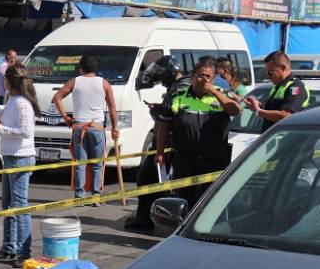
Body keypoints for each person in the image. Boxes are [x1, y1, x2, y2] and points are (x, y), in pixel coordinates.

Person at [155, 58, 241, 208]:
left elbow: (235, 110)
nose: (204, 80)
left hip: (214, 161)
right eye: (201, 75)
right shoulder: (177, 96)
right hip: (185, 161)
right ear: (193, 76)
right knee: (183, 200)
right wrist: (159, 152)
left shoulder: (222, 94)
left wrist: (214, 91)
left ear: (213, 78)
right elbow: (164, 125)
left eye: (208, 76)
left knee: (210, 203)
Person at [126, 56, 189, 230]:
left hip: (168, 145)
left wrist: (159, 151)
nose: (160, 80)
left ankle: (145, 219)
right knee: (156, 183)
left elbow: (167, 121)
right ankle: (149, 217)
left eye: (162, 76)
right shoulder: (182, 86)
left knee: (146, 179)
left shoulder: (177, 89)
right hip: (174, 146)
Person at [0, 64, 39, 268]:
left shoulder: (22, 103)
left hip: (20, 158)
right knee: (8, 206)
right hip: (11, 156)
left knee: (19, 207)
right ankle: (10, 248)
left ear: (8, 82)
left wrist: (1, 128)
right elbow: (8, 117)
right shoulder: (13, 101)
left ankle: (24, 253)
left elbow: (24, 131)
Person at [52, 56, 118, 204]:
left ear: (81, 68)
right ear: (95, 69)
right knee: (97, 164)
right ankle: (96, 197)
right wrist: (115, 128)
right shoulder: (104, 83)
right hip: (97, 128)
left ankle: (80, 197)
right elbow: (113, 108)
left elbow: (57, 98)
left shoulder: (74, 82)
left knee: (80, 164)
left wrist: (66, 118)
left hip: (79, 127)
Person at [245, 50, 310, 133]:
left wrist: (259, 111)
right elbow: (271, 111)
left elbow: (286, 116)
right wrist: (258, 105)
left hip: (286, 140)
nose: (268, 76)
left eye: (270, 72)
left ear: (283, 68)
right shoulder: (277, 87)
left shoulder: (296, 87)